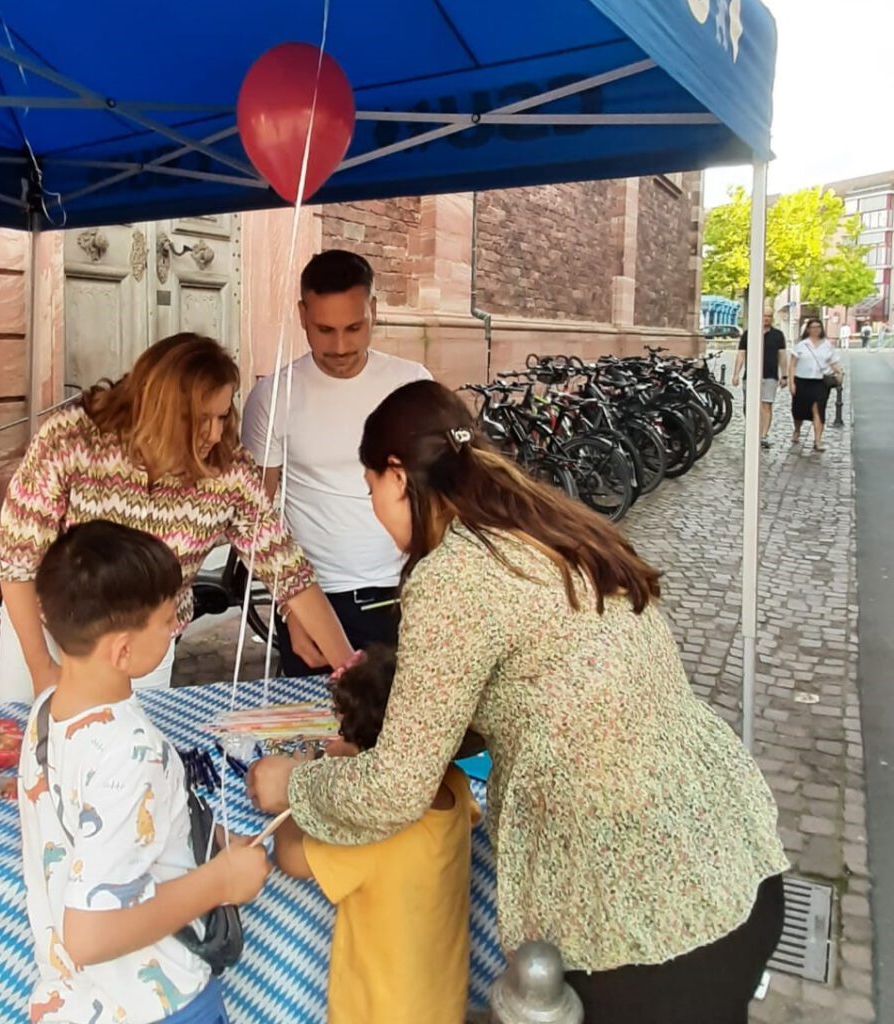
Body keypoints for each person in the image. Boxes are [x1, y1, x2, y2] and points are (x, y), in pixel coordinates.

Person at [248, 380, 789, 1024]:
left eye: (370, 492)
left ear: (397, 477)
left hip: (644, 921)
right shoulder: (549, 529)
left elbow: (396, 791)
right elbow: (534, 701)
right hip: (734, 859)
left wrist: (297, 784)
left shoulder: (455, 572)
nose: (375, 512)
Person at [0, 332, 353, 703]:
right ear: (159, 409)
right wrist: (42, 671)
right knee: (27, 742)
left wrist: (349, 672)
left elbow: (288, 570)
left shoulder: (228, 469)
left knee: (131, 746)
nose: (214, 434)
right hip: (48, 631)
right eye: (200, 419)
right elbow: (16, 562)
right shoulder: (71, 440)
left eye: (223, 416)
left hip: (148, 640)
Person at [19, 521, 271, 1024]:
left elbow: (103, 829)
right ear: (122, 650)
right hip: (155, 1005)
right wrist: (220, 881)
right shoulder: (133, 750)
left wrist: (203, 836)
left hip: (75, 1005)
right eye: (165, 620)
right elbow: (90, 935)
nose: (176, 627)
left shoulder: (48, 711)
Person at [241, 250, 430, 677]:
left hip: (407, 594)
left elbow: (440, 495)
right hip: (316, 598)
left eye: (354, 327)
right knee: (319, 735)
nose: (341, 347)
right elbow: (254, 517)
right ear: (302, 315)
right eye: (324, 330)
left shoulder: (412, 384)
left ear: (374, 312)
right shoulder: (273, 396)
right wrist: (290, 610)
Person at [272, 645, 478, 1024]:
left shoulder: (376, 830)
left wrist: (296, 787)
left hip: (376, 1013)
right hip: (443, 1003)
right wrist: (349, 762)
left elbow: (291, 858)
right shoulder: (456, 785)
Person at [732, 311, 788, 448]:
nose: (766, 319)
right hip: (750, 375)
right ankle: (752, 431)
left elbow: (782, 355)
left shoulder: (778, 335)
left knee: (766, 405)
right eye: (764, 316)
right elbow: (741, 354)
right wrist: (736, 374)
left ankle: (763, 435)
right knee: (749, 406)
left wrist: (784, 375)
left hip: (770, 376)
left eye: (769, 316)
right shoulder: (749, 334)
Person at [789, 318, 842, 453]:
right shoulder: (801, 345)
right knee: (799, 411)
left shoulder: (827, 345)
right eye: (813, 327)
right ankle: (797, 430)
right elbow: (792, 364)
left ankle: (817, 440)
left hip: (820, 383)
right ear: (808, 329)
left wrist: (839, 372)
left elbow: (834, 362)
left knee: (818, 410)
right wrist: (791, 382)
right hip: (802, 381)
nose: (816, 329)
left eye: (818, 327)